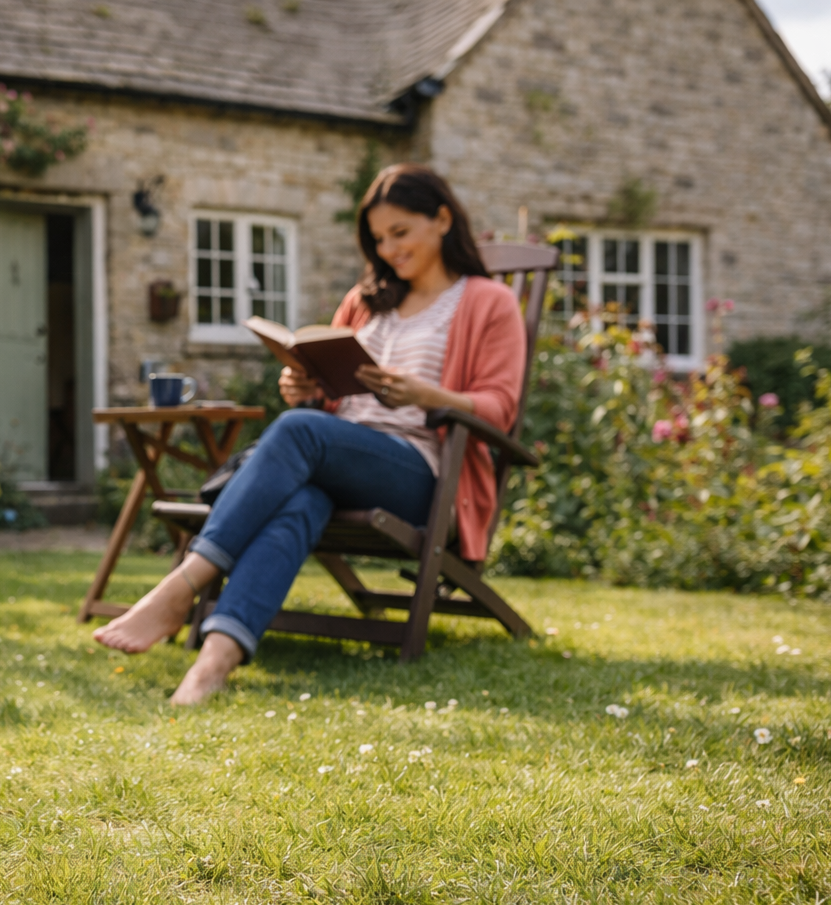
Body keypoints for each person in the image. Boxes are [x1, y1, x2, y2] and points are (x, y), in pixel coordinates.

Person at [94, 164, 526, 704]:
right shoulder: (366, 301)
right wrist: (303, 386)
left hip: (421, 473)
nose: (389, 249)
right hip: (338, 456)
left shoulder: (487, 301)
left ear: (441, 219)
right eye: (379, 239)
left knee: (303, 433)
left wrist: (424, 394)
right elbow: (331, 398)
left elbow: (500, 408)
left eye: (401, 233)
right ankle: (211, 665)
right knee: (302, 498)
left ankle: (180, 589)